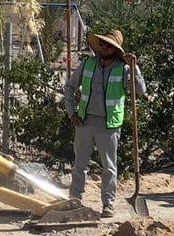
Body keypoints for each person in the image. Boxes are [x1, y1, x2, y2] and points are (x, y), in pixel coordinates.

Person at [63, 29, 147, 217]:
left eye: (108, 45)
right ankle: (74, 199)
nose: (104, 47)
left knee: (109, 167)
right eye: (102, 44)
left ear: (115, 49)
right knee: (79, 164)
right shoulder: (88, 64)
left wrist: (135, 67)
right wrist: (72, 112)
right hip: (85, 121)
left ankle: (108, 204)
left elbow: (140, 91)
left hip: (109, 125)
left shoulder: (124, 69)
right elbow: (70, 87)